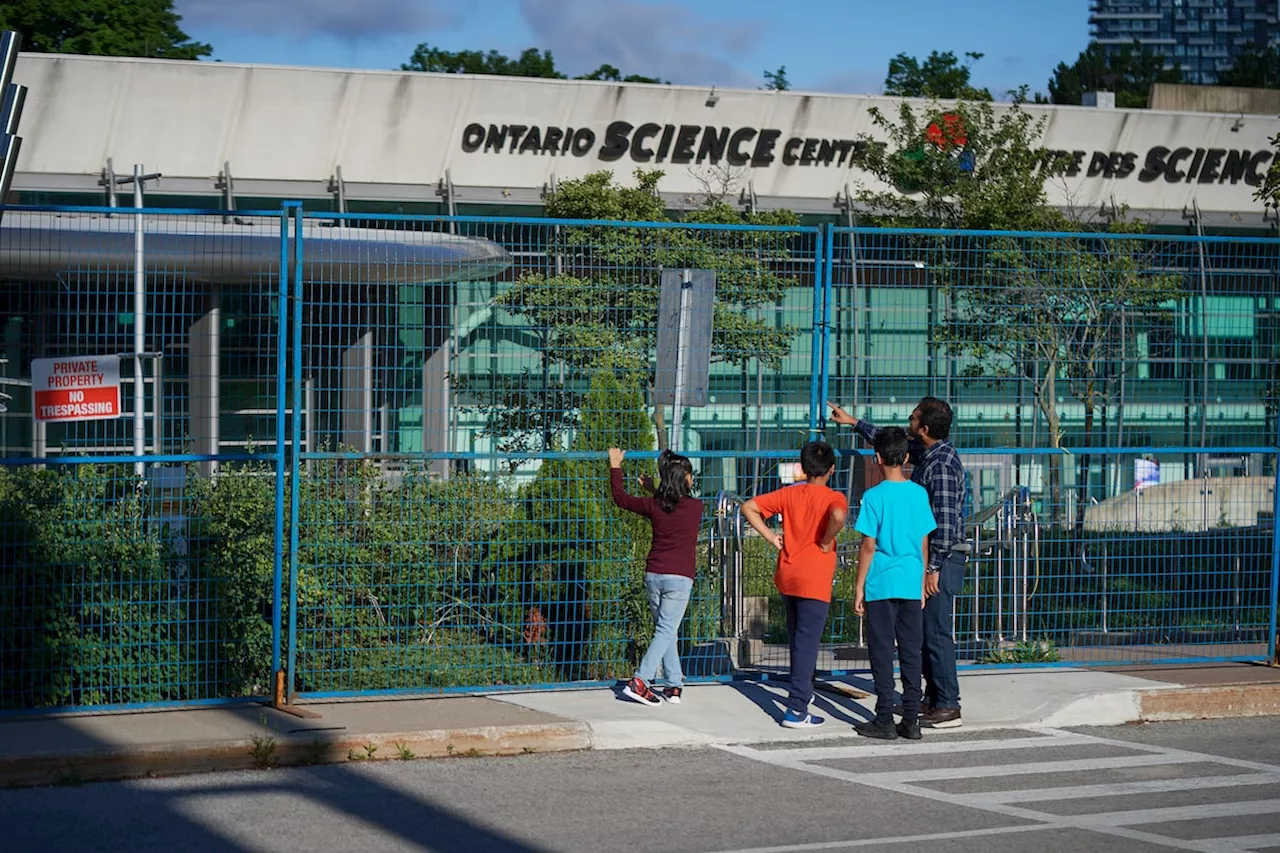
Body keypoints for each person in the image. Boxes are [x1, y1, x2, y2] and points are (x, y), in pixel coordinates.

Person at [827, 397, 967, 729]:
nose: (909, 419)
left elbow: (945, 524)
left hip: (938, 561)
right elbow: (892, 447)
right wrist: (854, 423)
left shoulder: (941, 464)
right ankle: (928, 700)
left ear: (926, 428)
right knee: (916, 640)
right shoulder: (928, 454)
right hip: (920, 564)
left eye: (914, 417)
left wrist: (932, 568)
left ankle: (947, 703)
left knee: (934, 632)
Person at [740, 441, 848, 728]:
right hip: (815, 578)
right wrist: (826, 540)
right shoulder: (834, 497)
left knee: (797, 639)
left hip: (788, 573)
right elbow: (838, 517)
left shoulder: (790, 493)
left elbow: (749, 507)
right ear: (832, 470)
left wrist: (772, 537)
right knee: (807, 644)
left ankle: (805, 693)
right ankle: (797, 708)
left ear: (803, 467)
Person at [851, 427, 937, 741]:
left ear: (877, 458)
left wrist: (859, 586)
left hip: (881, 583)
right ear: (906, 457)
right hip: (911, 581)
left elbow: (868, 545)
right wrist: (923, 577)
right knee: (912, 652)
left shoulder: (873, 497)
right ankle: (911, 718)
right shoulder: (919, 494)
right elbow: (924, 541)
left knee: (882, 651)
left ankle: (884, 717)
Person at [609, 447, 704, 707]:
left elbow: (621, 498)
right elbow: (677, 505)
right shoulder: (697, 507)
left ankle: (673, 684)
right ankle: (640, 681)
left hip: (654, 576)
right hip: (679, 578)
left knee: (665, 629)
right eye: (690, 475)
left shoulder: (654, 505)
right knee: (666, 629)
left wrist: (615, 465)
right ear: (685, 478)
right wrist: (655, 489)